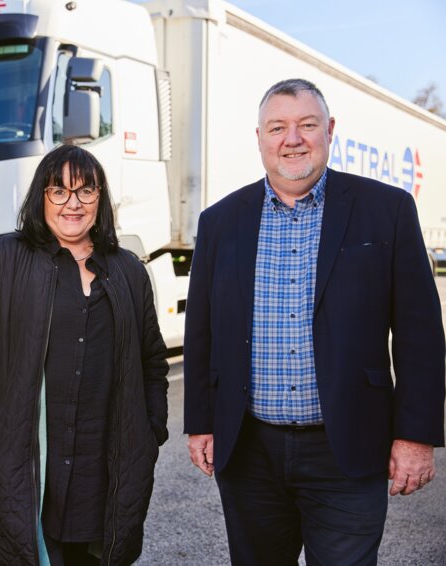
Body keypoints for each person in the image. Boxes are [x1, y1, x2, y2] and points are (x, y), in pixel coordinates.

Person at [184, 78, 445, 565]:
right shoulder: (219, 221)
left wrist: (416, 437)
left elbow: (420, 334)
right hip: (250, 452)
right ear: (259, 137)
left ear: (330, 130)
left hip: (347, 448)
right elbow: (201, 332)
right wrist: (201, 422)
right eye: (277, 127)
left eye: (306, 125)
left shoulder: (385, 210)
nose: (292, 138)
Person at [0, 144, 169, 565]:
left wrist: (150, 431)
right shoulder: (2, 260)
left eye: (86, 191)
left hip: (102, 472)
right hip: (28, 470)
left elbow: (153, 361)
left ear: (101, 199)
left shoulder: (128, 272)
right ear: (40, 197)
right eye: (59, 191)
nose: (73, 203)